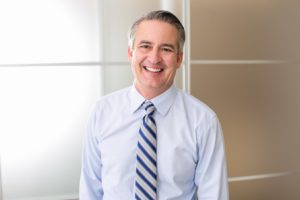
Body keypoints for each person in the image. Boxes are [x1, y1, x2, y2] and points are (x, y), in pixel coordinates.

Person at [80, 10, 229, 200]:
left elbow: (214, 196)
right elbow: (90, 190)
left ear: (179, 59)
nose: (154, 58)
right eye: (145, 46)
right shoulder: (101, 112)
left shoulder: (203, 121)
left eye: (166, 49)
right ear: (130, 53)